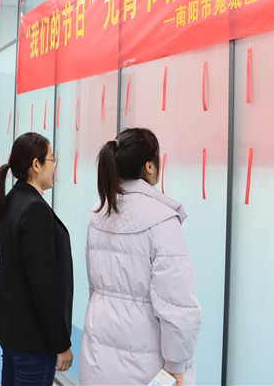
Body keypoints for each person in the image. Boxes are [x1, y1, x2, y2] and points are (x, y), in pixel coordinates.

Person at [79, 128, 202, 386]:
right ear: (149, 166)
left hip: (97, 358)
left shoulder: (98, 213)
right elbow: (176, 304)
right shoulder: (162, 220)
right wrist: (175, 367)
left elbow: (95, 288)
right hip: (147, 368)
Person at [0, 132, 74, 386]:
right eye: (52, 159)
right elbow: (43, 285)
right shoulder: (34, 209)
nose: (54, 167)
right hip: (33, 337)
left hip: (14, 331)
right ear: (36, 165)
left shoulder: (11, 201)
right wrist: (61, 343)